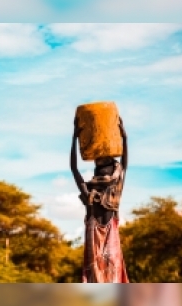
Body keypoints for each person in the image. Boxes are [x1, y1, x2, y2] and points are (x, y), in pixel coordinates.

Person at [70, 116, 129, 283]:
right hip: (104, 257)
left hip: (99, 255)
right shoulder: (109, 195)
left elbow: (74, 169)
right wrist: (125, 138)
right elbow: (124, 165)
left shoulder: (98, 195)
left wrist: (74, 138)